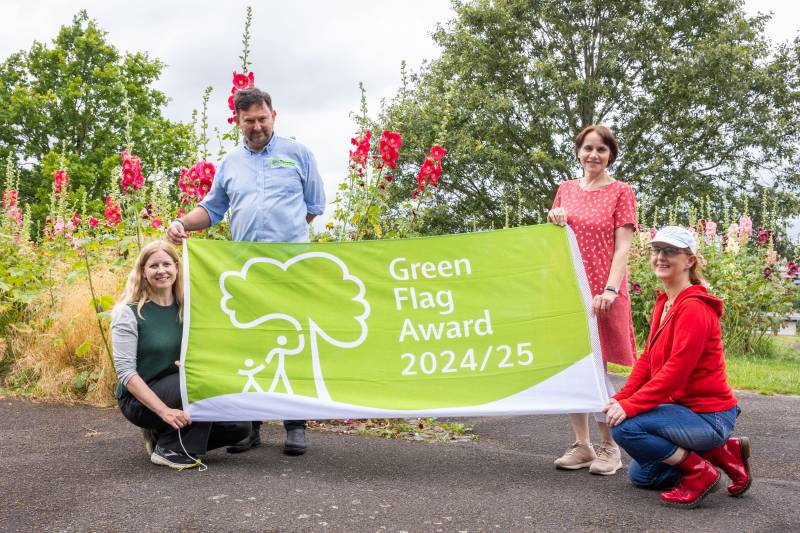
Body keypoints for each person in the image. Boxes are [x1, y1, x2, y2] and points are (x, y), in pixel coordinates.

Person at [167, 87, 326, 456]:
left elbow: (313, 206)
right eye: (249, 121)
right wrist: (182, 223)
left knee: (294, 344)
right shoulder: (229, 164)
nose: (257, 126)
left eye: (262, 119)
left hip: (291, 270)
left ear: (274, 116)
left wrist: (282, 240)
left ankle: (295, 425)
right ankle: (249, 428)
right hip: (246, 272)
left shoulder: (299, 154)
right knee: (250, 346)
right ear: (237, 122)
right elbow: (212, 209)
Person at [603, 226, 750, 508]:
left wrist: (631, 406)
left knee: (625, 428)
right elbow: (648, 361)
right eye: (657, 250)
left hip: (709, 416)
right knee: (643, 475)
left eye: (670, 251)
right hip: (683, 411)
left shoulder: (695, 307)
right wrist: (621, 397)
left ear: (689, 261)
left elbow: (676, 371)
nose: (660, 257)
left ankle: (700, 472)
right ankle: (719, 453)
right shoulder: (665, 303)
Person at [112, 240, 251, 470]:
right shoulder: (128, 313)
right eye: (154, 266)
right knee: (201, 384)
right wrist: (164, 411)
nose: (161, 270)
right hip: (140, 399)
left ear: (177, 268)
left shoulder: (188, 309)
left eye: (167, 264)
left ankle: (163, 437)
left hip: (184, 387)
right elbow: (126, 373)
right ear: (143, 272)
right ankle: (170, 449)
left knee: (239, 427)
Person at [547, 124, 637, 475]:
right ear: (578, 152)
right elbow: (554, 238)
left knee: (599, 369)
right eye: (588, 148)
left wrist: (610, 290)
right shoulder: (565, 190)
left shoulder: (621, 192)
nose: (593, 155)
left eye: (601, 149)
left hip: (603, 292)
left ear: (610, 154)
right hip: (569, 289)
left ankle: (610, 447)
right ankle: (582, 445)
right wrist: (554, 217)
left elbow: (623, 248)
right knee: (576, 365)